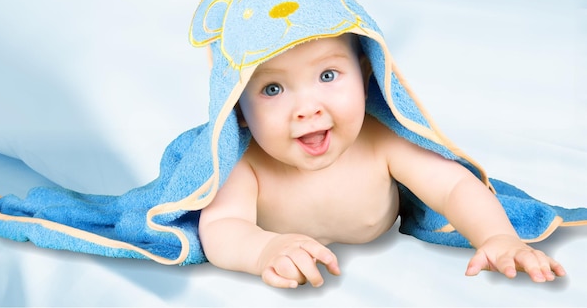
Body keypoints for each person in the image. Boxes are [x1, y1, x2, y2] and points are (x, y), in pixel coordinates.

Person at [198, 33, 565, 289]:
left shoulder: (379, 140)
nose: (308, 109)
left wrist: (497, 236)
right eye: (272, 89)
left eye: (328, 75)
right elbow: (221, 227)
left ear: (365, 74)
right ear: (237, 110)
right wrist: (264, 250)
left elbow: (453, 186)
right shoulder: (244, 164)